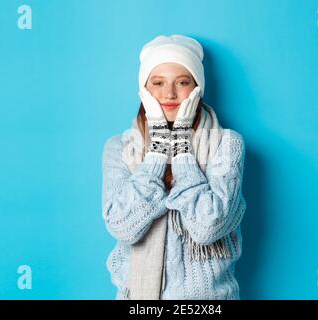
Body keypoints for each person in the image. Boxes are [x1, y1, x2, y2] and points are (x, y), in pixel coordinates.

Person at [102, 34, 246, 300]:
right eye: (158, 83)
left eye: (182, 82)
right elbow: (123, 226)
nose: (169, 93)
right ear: (143, 90)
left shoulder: (227, 144)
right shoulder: (118, 148)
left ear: (197, 89)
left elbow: (207, 228)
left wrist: (181, 146)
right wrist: (157, 151)